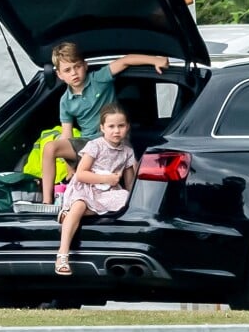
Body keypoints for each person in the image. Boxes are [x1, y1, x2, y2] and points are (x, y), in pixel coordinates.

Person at [41, 42, 168, 204]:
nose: (74, 73)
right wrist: (70, 167)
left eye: (77, 66)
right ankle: (47, 202)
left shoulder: (98, 79)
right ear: (59, 75)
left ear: (85, 66)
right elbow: (67, 136)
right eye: (67, 70)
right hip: (87, 144)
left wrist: (155, 60)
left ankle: (134, 202)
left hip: (112, 138)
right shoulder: (65, 101)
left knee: (129, 168)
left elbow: (125, 61)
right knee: (50, 147)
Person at [55, 104, 136, 276]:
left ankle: (69, 215)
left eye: (121, 126)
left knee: (125, 198)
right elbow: (81, 174)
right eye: (111, 126)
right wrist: (107, 178)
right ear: (102, 128)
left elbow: (130, 183)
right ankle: (62, 254)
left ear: (127, 127)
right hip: (86, 187)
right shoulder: (95, 145)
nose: (116, 131)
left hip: (107, 192)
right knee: (79, 205)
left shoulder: (127, 152)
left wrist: (131, 195)